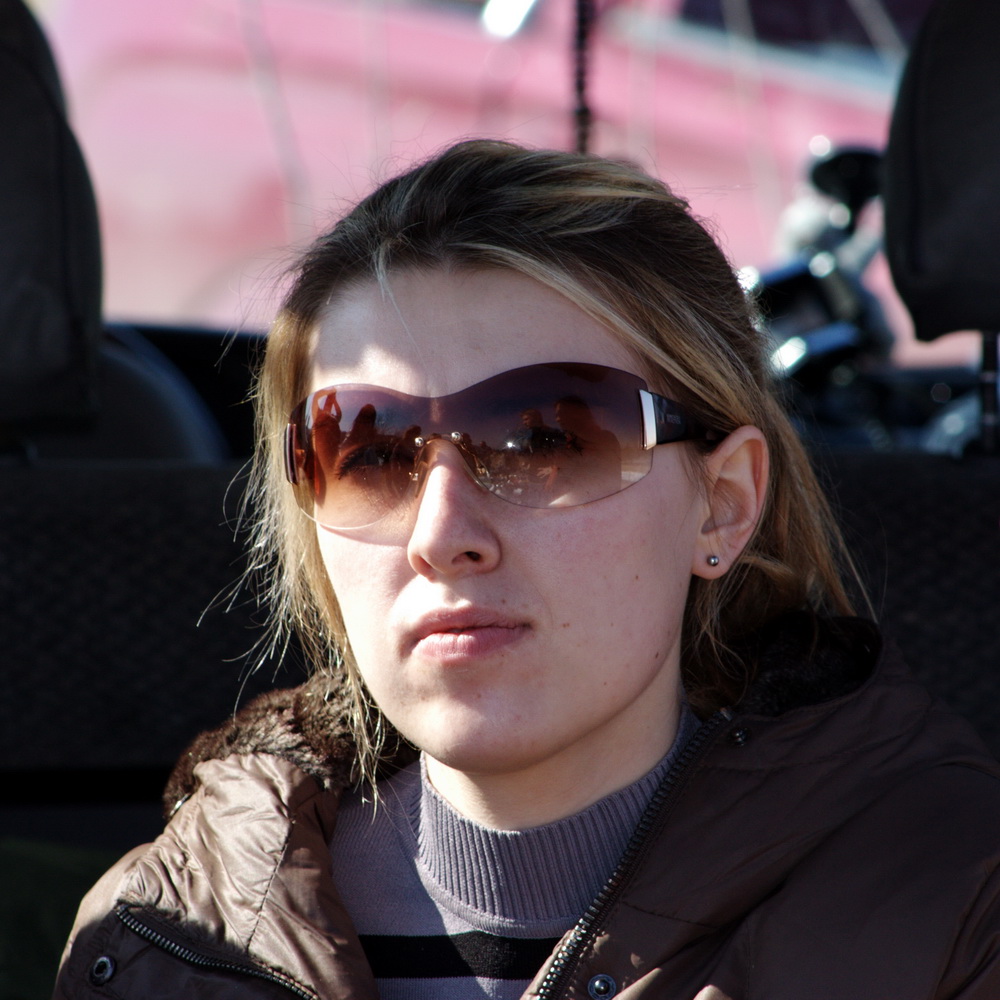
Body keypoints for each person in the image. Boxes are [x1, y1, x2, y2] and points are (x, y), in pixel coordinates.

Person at [53, 140, 1000, 1000]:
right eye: (369, 452)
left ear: (722, 503)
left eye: (547, 439)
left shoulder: (956, 919)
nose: (441, 534)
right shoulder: (153, 939)